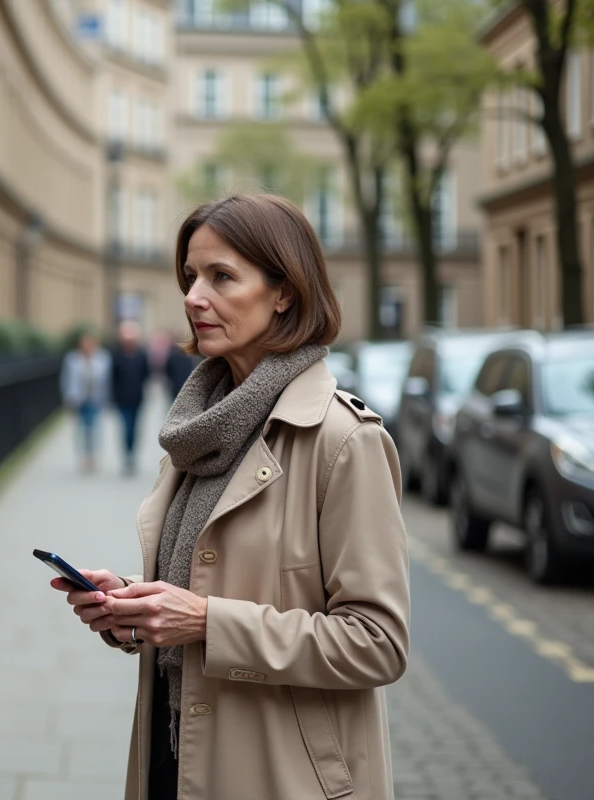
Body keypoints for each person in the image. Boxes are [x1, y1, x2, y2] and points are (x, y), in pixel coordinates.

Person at [48, 194, 410, 799]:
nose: (193, 297)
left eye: (221, 276)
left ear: (284, 292)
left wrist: (206, 622)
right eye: (191, 276)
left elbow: (378, 643)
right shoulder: (200, 430)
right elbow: (193, 603)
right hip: (175, 758)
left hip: (280, 776)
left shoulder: (344, 441)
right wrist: (133, 617)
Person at [60, 331, 112, 472]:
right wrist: (68, 397)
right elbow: (66, 379)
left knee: (94, 428)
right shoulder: (72, 359)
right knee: (82, 428)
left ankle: (93, 456)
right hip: (79, 399)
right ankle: (83, 455)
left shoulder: (102, 358)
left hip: (96, 399)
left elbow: (106, 380)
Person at [111, 320, 151, 475]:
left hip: (137, 398)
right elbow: (113, 378)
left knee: (135, 427)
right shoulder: (117, 356)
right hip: (122, 399)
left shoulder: (141, 355)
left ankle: (132, 453)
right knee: (125, 426)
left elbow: (146, 375)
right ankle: (127, 453)